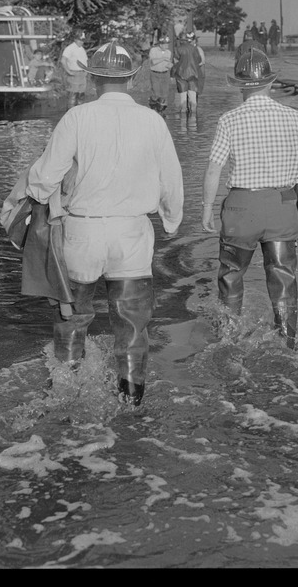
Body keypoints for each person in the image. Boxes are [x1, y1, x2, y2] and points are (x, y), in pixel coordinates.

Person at [25, 44, 183, 406]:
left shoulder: (77, 118)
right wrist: (172, 221)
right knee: (131, 325)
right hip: (132, 234)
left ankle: (63, 396)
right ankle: (131, 401)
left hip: (82, 232)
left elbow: (47, 176)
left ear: (93, 77)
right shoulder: (152, 121)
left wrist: (34, 192)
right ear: (131, 77)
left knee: (73, 320)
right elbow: (171, 181)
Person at [201, 48, 298, 349]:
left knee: (231, 276)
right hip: (282, 209)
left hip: (241, 209)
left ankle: (228, 340)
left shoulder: (229, 119)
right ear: (270, 83)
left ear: (240, 86)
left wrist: (206, 208)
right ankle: (287, 342)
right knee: (283, 277)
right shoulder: (292, 117)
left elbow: (213, 169)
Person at [172, 30, 205, 115]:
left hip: (180, 76)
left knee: (183, 101)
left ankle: (183, 125)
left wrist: (172, 74)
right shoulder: (195, 49)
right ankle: (193, 123)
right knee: (193, 101)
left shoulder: (177, 49)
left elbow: (175, 62)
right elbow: (200, 61)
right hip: (193, 76)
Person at [59, 31, 88, 108]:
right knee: (73, 96)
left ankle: (79, 115)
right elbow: (63, 61)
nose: (81, 41)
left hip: (82, 74)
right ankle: (70, 113)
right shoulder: (70, 48)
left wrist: (86, 72)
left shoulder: (82, 49)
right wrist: (68, 71)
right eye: (80, 39)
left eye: (83, 40)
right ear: (75, 39)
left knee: (81, 96)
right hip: (74, 74)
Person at [147, 32, 174, 113]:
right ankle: (152, 104)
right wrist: (162, 59)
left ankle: (161, 111)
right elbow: (153, 62)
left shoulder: (168, 52)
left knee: (165, 94)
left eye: (168, 44)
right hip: (155, 73)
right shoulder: (153, 50)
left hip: (165, 74)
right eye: (165, 44)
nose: (167, 46)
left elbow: (168, 64)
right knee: (156, 93)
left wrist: (171, 65)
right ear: (161, 44)